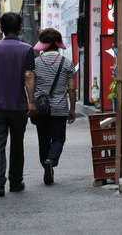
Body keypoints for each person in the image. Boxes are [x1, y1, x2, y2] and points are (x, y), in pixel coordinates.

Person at [0, 12, 36, 197]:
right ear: (20, 27)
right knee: (17, 144)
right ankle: (16, 182)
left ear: (1, 28)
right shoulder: (27, 49)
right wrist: (31, 101)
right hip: (18, 106)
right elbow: (28, 75)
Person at [32, 28, 76, 185]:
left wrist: (31, 103)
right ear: (57, 44)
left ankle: (46, 162)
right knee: (58, 139)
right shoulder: (67, 63)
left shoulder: (35, 63)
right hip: (59, 108)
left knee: (43, 139)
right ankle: (51, 160)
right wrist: (72, 109)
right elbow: (71, 88)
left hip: (40, 109)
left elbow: (30, 85)